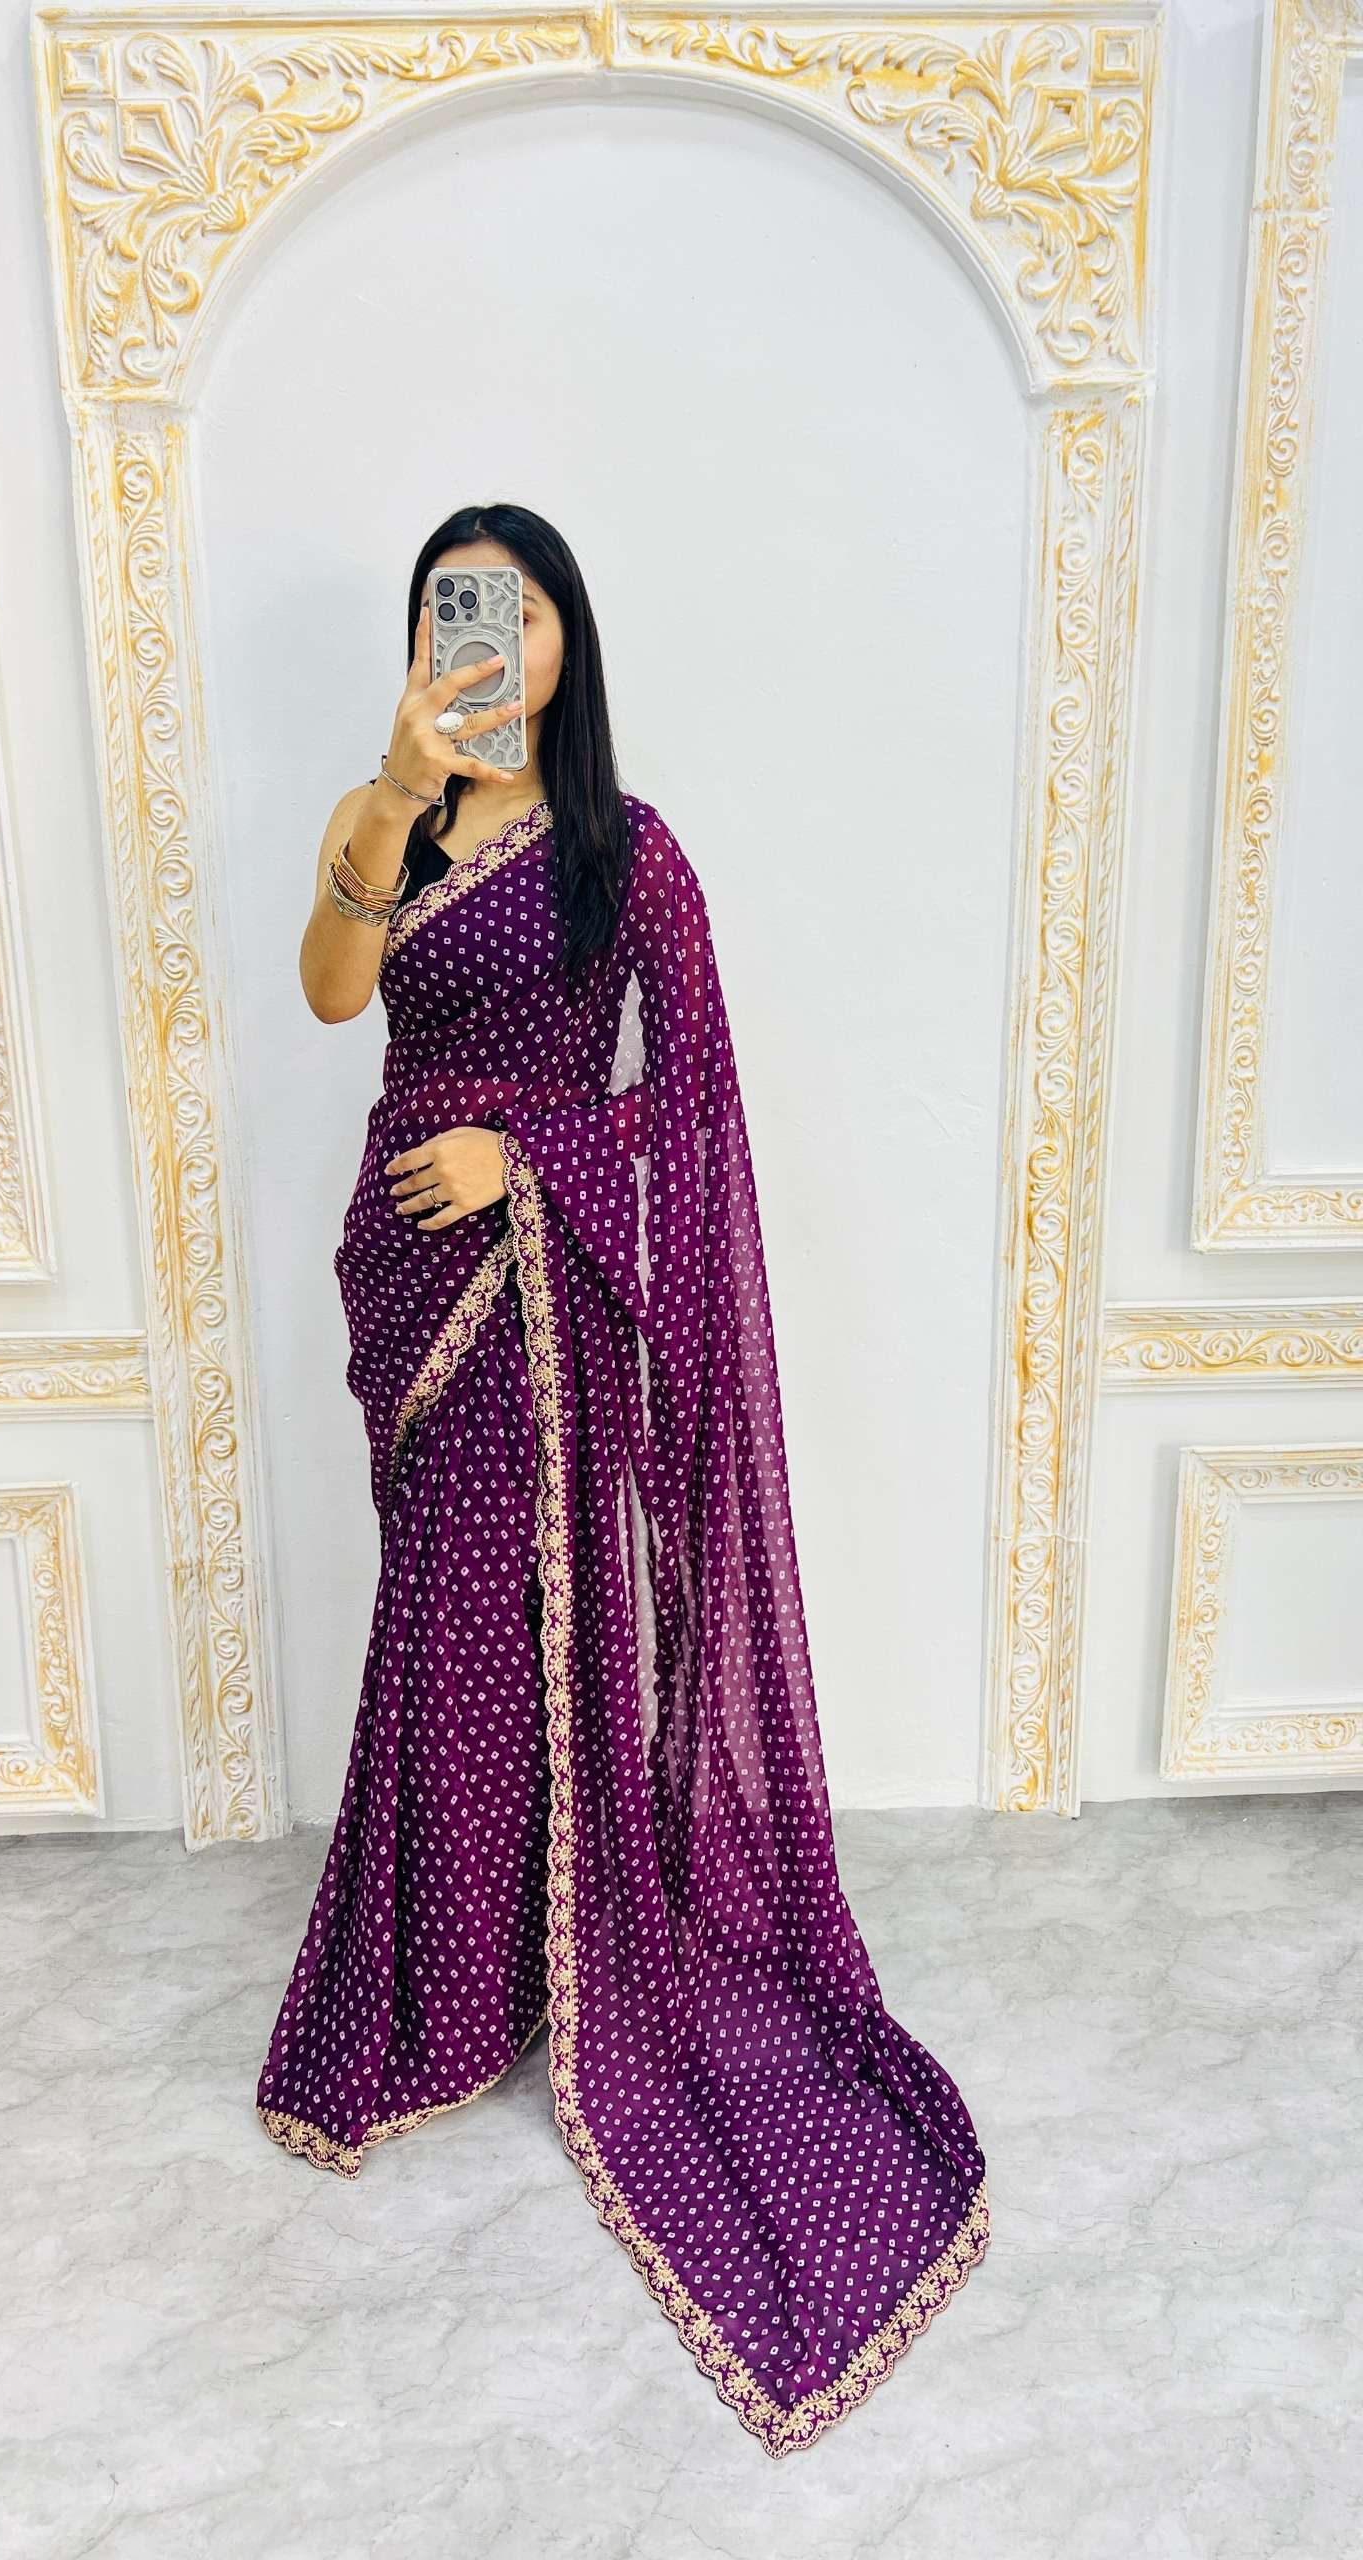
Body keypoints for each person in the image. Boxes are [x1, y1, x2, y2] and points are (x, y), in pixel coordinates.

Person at [254, 502, 990, 2459]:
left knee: (514, 1620)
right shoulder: (385, 820)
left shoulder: (623, 852)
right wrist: (392, 792)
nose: (483, 638)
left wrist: (527, 1156)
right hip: (409, 1278)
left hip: (539, 1278)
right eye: (454, 609)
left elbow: (698, 1097)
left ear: (568, 640)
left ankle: (530, 1959)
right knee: (442, 1615)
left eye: (513, 611)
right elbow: (329, 993)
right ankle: (448, 1978)